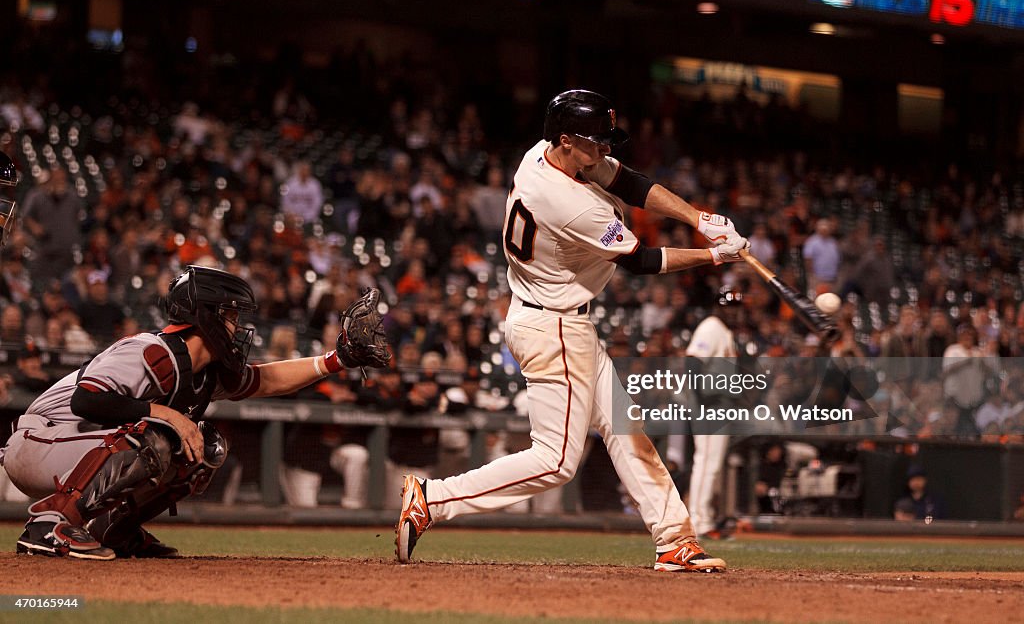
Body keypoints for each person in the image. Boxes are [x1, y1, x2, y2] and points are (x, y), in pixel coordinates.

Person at [396, 89, 749, 573]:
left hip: (557, 318)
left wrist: (698, 218)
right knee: (556, 461)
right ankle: (432, 500)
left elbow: (627, 180)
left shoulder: (542, 156)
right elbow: (642, 261)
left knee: (625, 429)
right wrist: (713, 256)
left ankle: (675, 540)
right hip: (553, 325)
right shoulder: (571, 204)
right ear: (566, 140)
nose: (605, 150)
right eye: (596, 142)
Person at [0, 265, 390, 560]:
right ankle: (47, 525)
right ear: (206, 316)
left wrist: (338, 359)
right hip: (39, 441)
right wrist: (166, 414)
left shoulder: (201, 370)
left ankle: (113, 530)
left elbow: (266, 381)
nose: (238, 326)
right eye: (231, 315)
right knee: (154, 435)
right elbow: (86, 400)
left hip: (74, 452)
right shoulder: (150, 350)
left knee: (202, 452)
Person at [685, 287, 744, 539]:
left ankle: (704, 518)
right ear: (717, 306)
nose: (732, 312)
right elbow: (692, 362)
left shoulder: (724, 331)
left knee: (712, 465)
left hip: (720, 403)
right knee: (706, 463)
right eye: (727, 307)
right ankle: (697, 521)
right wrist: (703, 398)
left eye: (735, 308)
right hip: (709, 404)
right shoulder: (711, 326)